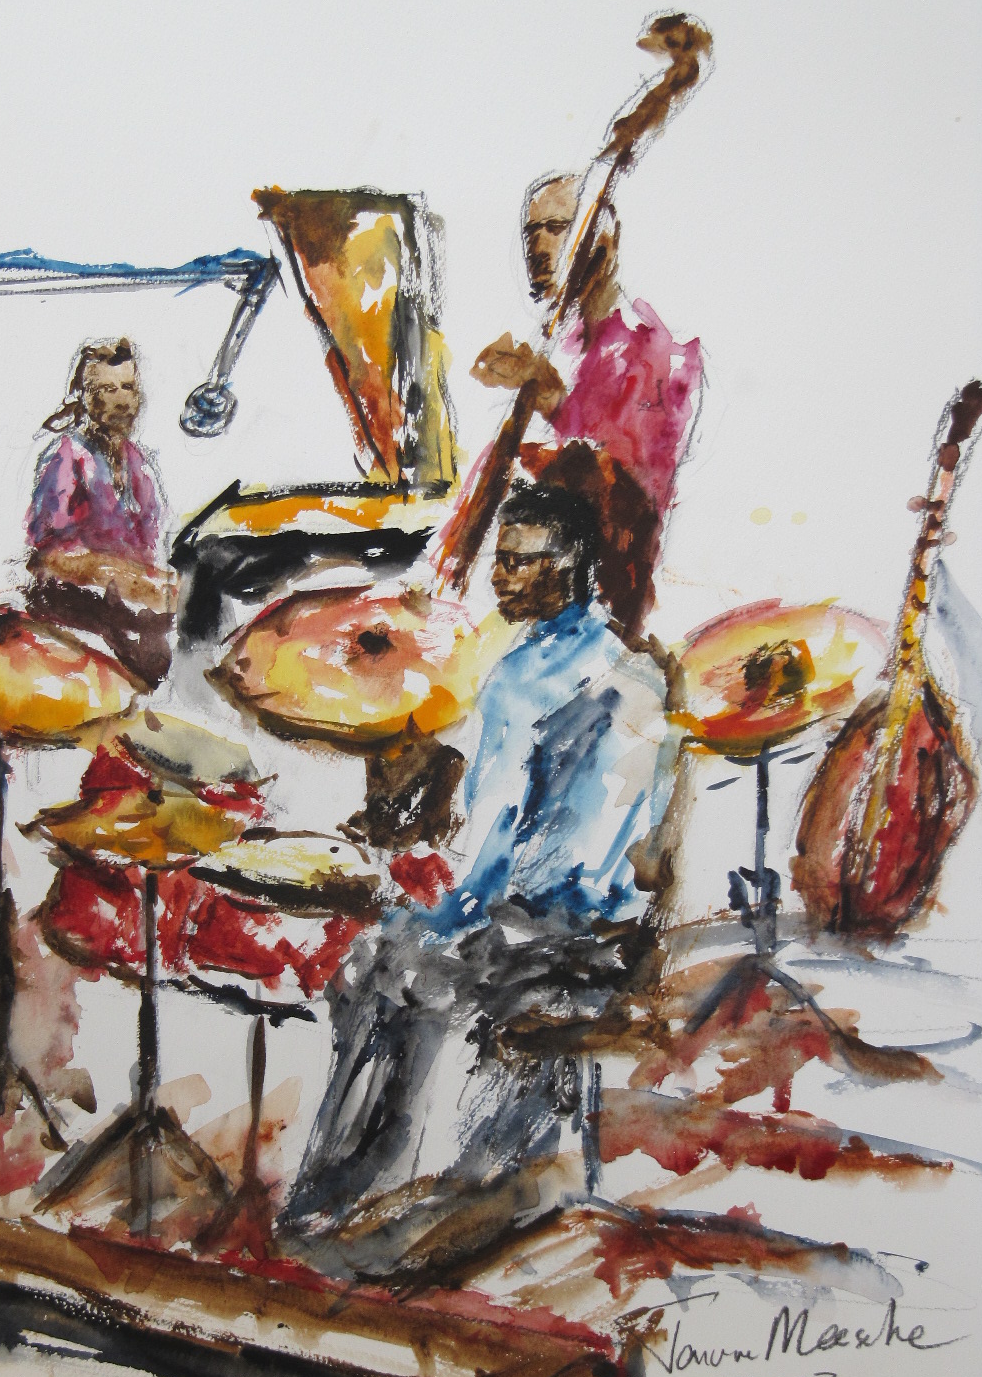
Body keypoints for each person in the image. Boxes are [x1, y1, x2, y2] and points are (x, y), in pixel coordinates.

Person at [283, 482, 680, 1272]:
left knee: (377, 967)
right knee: (409, 958)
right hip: (612, 933)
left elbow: (496, 851)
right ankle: (476, 1172)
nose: (503, 577)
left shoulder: (523, 679)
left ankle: (347, 1192)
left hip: (545, 929)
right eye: (502, 559)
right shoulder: (634, 669)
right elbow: (635, 844)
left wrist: (425, 908)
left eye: (523, 562)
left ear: (570, 567)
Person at [470, 173, 703, 636]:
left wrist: (547, 412)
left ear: (605, 245)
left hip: (606, 605)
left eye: (557, 228)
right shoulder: (573, 343)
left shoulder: (655, 354)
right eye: (531, 232)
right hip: (556, 591)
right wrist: (550, 400)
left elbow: (622, 497)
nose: (538, 248)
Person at [24, 339, 175, 687]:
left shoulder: (139, 463)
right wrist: (138, 584)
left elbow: (151, 550)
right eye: (108, 389)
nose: (122, 400)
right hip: (75, 613)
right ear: (86, 397)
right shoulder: (67, 457)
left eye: (129, 387)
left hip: (131, 611)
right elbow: (52, 558)